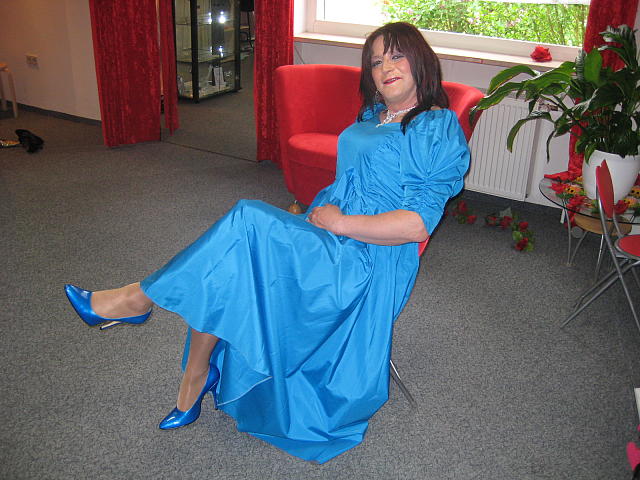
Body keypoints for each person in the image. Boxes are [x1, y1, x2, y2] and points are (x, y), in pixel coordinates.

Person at [64, 22, 470, 463]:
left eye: (396, 56)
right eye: (375, 61)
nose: (385, 67)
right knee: (235, 258)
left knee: (246, 222)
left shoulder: (435, 126)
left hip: (368, 259)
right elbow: (352, 182)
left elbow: (416, 224)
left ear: (420, 60)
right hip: (329, 234)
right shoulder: (375, 115)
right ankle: (191, 374)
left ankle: (143, 306)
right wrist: (317, 218)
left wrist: (340, 223)